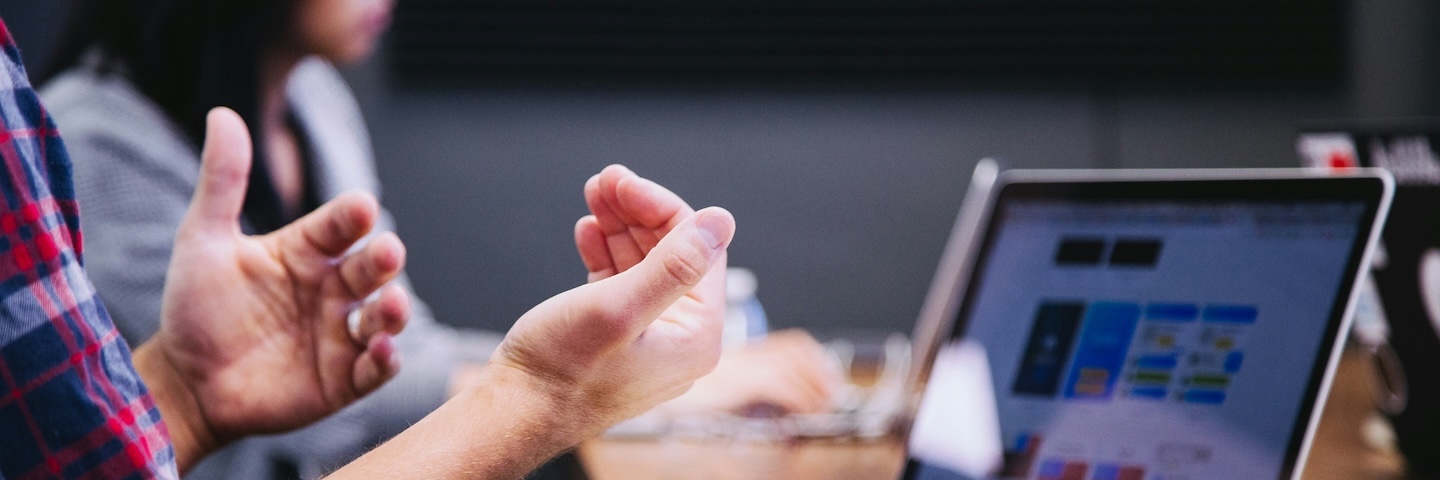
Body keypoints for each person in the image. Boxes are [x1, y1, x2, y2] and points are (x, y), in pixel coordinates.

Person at [39, 0, 839, 476]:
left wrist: (609, 381)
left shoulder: (313, 100)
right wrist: (599, 385)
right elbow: (335, 419)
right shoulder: (90, 143)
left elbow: (388, 355)